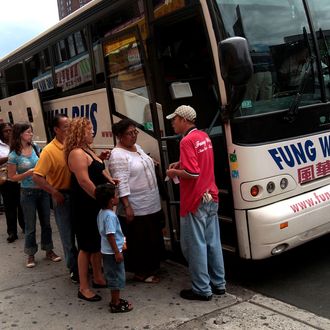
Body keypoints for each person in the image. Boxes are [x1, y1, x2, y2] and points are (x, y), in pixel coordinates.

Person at [166, 105, 226, 301]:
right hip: (211, 195)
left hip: (195, 199)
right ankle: (219, 284)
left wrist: (174, 172)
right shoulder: (203, 136)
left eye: (174, 119)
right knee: (213, 242)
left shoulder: (186, 141)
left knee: (196, 245)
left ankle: (201, 289)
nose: (172, 123)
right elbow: (199, 164)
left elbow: (193, 173)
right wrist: (181, 164)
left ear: (184, 119)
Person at [64, 117, 116, 302]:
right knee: (86, 246)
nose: (92, 132)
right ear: (79, 132)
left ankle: (99, 278)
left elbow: (97, 170)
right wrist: (103, 200)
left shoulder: (88, 150)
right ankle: (83, 287)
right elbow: (84, 181)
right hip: (85, 206)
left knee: (96, 243)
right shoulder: (77, 153)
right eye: (89, 129)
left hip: (94, 204)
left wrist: (109, 179)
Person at [109, 119, 164, 284]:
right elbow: (121, 181)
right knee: (140, 239)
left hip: (151, 202)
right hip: (136, 204)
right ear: (119, 136)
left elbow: (143, 163)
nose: (134, 136)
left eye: (135, 132)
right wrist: (127, 206)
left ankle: (152, 266)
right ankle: (142, 272)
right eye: (129, 133)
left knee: (153, 236)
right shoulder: (118, 155)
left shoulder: (136, 148)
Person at [7, 122, 61, 268]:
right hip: (27, 192)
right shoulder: (14, 155)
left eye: (31, 132)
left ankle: (49, 250)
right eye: (28, 132)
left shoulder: (36, 147)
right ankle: (30, 254)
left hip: (42, 190)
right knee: (30, 225)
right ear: (20, 134)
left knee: (46, 223)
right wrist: (26, 173)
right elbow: (11, 177)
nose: (31, 134)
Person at [33, 114, 79, 283]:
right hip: (62, 197)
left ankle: (84, 264)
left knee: (81, 233)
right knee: (68, 235)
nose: (70, 129)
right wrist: (54, 192)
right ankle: (74, 269)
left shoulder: (73, 145)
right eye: (66, 127)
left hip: (78, 195)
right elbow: (37, 177)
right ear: (56, 130)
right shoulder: (49, 151)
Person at [95, 183, 133, 313]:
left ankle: (114, 300)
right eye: (116, 195)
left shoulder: (102, 213)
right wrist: (117, 252)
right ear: (111, 200)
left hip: (107, 251)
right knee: (116, 277)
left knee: (112, 275)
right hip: (112, 252)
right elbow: (110, 234)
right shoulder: (110, 216)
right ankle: (116, 303)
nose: (118, 197)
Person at [0, 122, 24, 243]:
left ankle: (25, 227)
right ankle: (12, 232)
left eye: (10, 130)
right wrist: (10, 156)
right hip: (6, 180)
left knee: (22, 204)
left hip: (20, 178)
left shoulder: (18, 143)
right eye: (6, 131)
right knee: (10, 207)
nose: (8, 133)